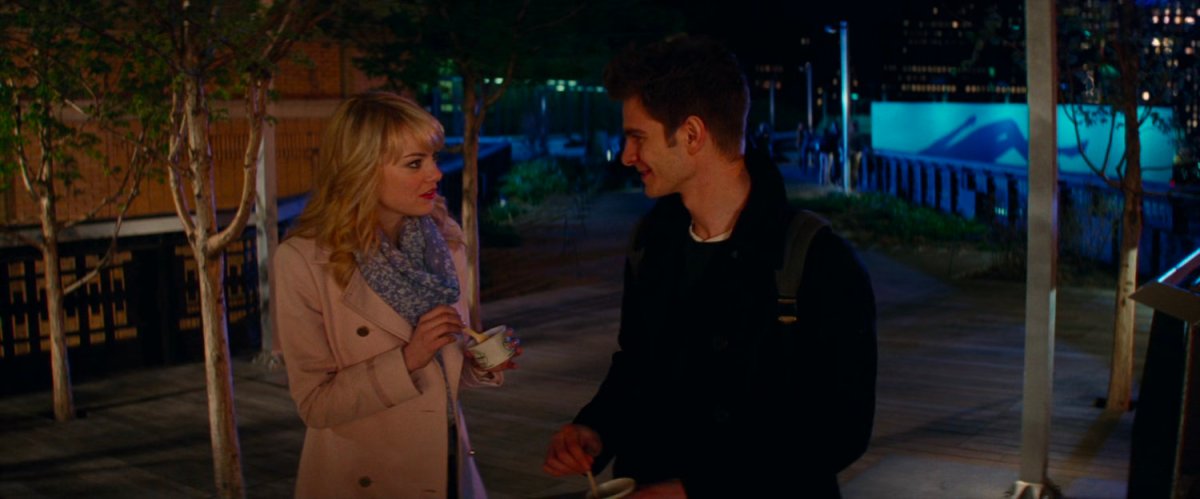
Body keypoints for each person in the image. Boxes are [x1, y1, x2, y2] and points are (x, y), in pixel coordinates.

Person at [542, 36, 877, 498]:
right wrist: (595, 429)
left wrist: (695, 489)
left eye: (638, 137)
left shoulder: (816, 258)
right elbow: (636, 366)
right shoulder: (651, 244)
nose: (626, 156)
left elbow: (840, 431)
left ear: (693, 134)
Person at [274, 91, 519, 499]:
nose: (436, 174)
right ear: (362, 170)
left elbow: (446, 363)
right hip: (364, 475)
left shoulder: (445, 243)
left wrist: (484, 360)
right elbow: (315, 405)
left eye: (433, 159)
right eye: (415, 163)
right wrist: (407, 359)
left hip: (445, 465)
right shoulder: (303, 260)